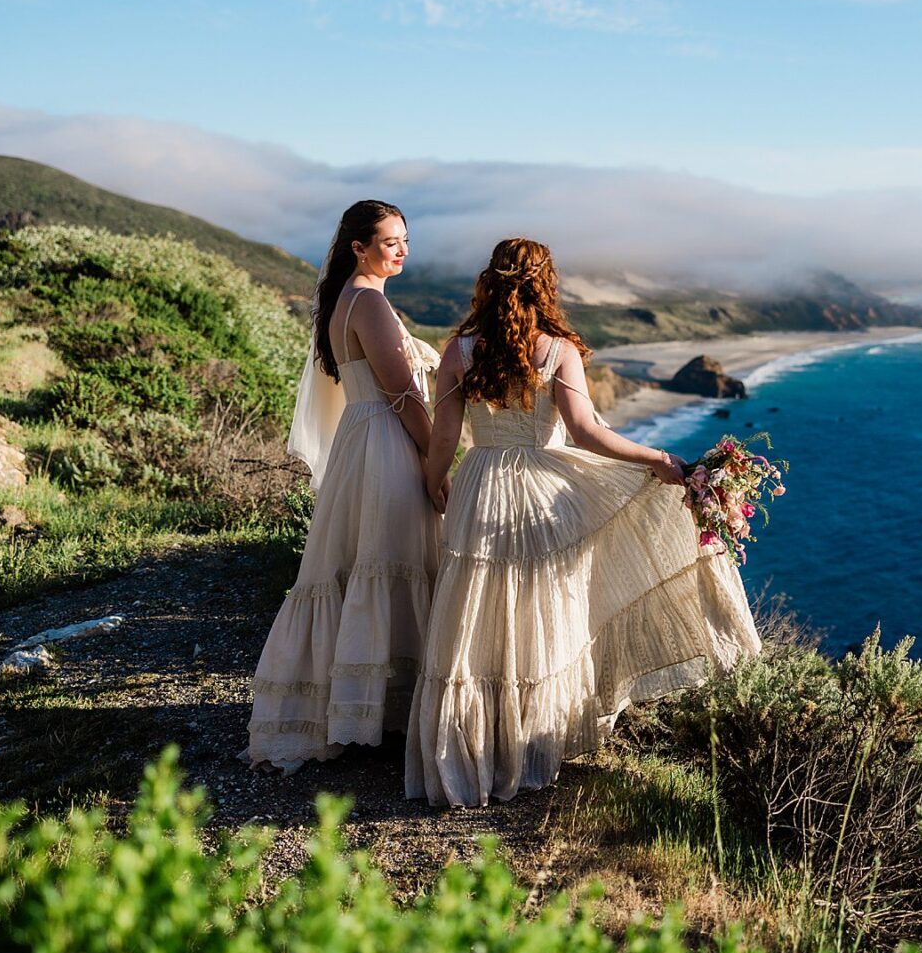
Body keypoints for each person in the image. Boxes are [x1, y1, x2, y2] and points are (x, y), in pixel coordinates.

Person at [405, 237, 763, 807]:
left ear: (488, 283)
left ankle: (470, 749)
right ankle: (527, 745)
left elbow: (444, 436)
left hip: (480, 483)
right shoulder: (558, 350)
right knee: (538, 610)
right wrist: (657, 460)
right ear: (546, 284)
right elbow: (586, 434)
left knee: (476, 613)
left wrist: (432, 485)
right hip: (541, 490)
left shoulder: (460, 350)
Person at [242, 200, 441, 774]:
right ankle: (381, 713)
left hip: (363, 437)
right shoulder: (369, 303)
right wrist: (435, 458)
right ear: (359, 246)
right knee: (388, 561)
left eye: (406, 240)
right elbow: (404, 395)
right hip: (386, 440)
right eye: (390, 242)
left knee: (362, 565)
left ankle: (363, 710)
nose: (402, 250)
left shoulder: (345, 299)